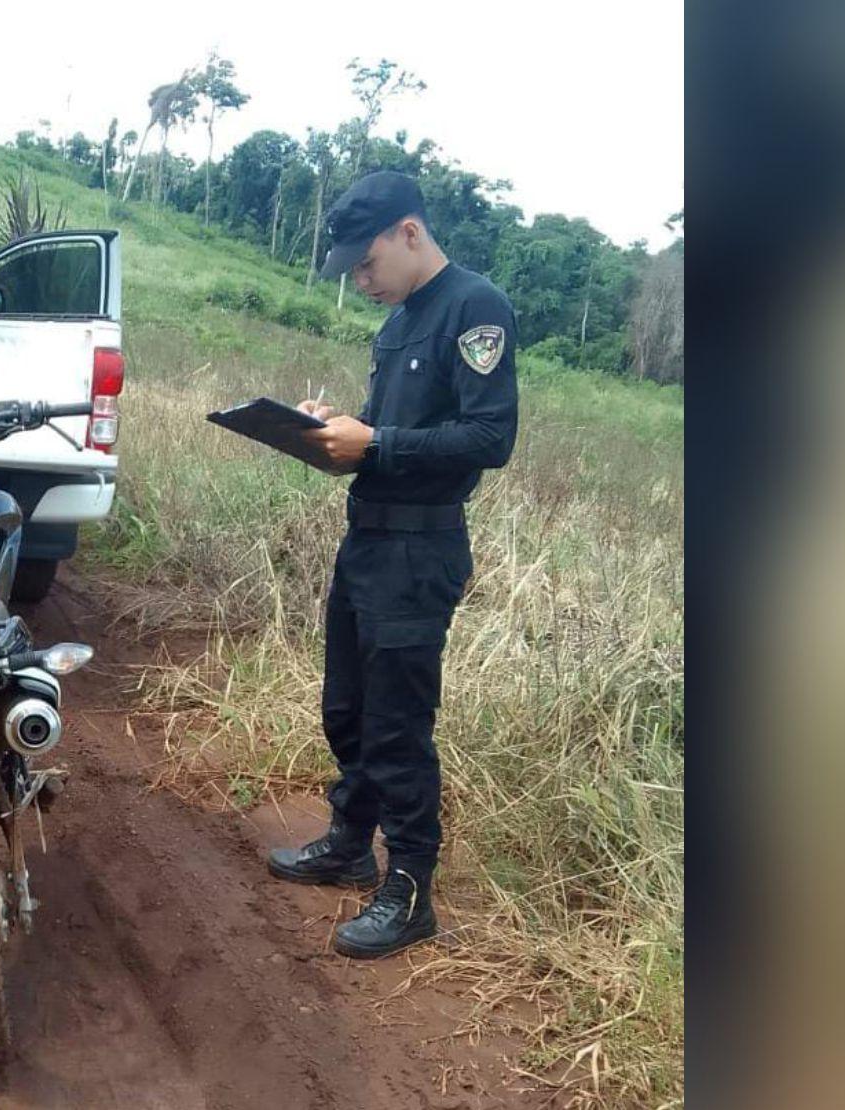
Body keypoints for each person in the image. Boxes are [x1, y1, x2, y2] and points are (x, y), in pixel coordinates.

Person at [266, 170, 518, 959]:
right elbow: (388, 429)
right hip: (366, 538)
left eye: (366, 264)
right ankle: (348, 844)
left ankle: (408, 890)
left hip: (419, 548)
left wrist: (374, 442)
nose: (361, 281)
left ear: (408, 233)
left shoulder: (475, 307)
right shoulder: (398, 322)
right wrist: (336, 431)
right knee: (346, 707)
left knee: (398, 727)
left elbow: (489, 439)